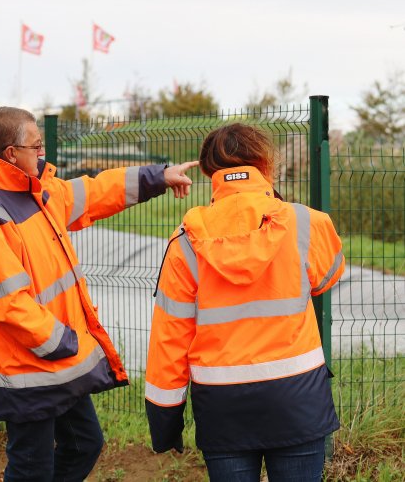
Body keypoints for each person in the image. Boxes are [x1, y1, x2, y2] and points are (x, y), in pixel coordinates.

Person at [0, 106, 198, 481]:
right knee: (32, 467)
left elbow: (95, 191)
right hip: (28, 369)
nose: (42, 154)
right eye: (36, 147)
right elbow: (7, 305)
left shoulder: (36, 191)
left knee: (84, 444)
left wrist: (158, 177)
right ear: (10, 154)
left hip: (54, 361)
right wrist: (63, 343)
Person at [145, 123, 345, 481]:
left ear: (208, 171)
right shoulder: (305, 222)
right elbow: (328, 276)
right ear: (264, 163)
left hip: (223, 408)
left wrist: (165, 418)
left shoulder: (185, 243)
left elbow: (168, 339)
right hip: (297, 398)